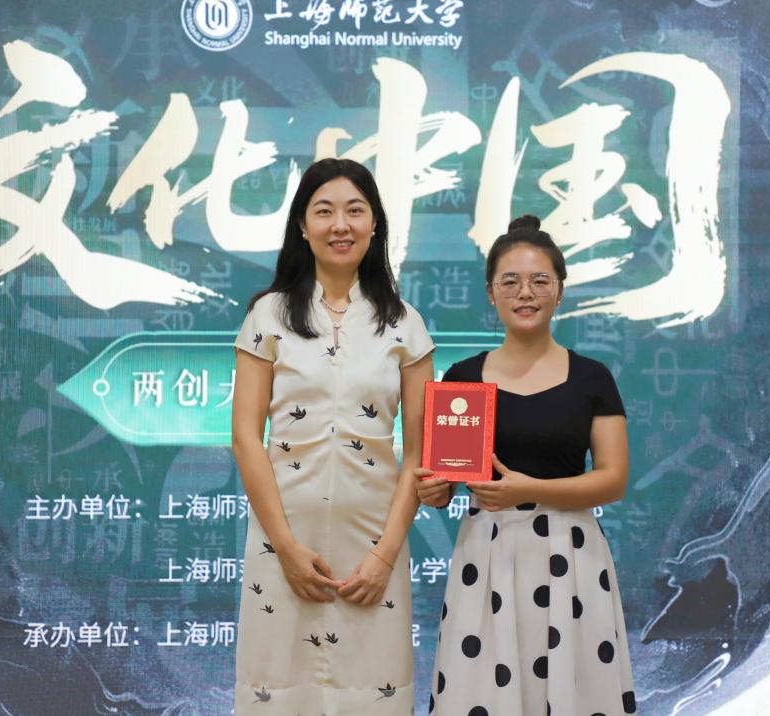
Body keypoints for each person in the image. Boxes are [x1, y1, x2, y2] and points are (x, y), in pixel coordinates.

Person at [231, 158, 434, 713]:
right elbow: (246, 437)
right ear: (302, 225)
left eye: (355, 211)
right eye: (324, 211)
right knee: (278, 692)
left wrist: (384, 557)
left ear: (375, 224)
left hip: (373, 550)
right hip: (282, 542)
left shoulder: (406, 324)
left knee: (373, 693)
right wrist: (286, 549)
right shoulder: (267, 317)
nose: (340, 225)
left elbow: (420, 452)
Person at [416, 214, 637, 715]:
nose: (525, 293)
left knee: (574, 690)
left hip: (570, 556)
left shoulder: (592, 377)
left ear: (560, 291)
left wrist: (530, 489)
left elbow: (613, 479)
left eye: (540, 281)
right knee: (482, 691)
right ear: (491, 294)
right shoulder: (463, 377)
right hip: (487, 556)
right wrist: (435, 491)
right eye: (510, 282)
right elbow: (446, 477)